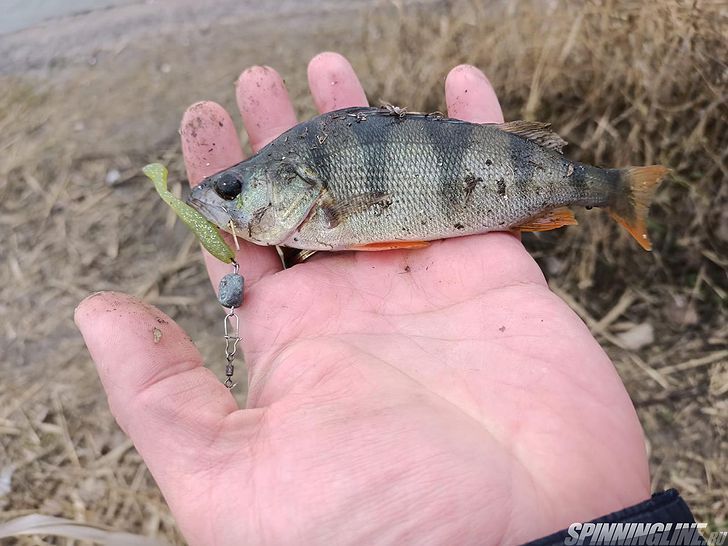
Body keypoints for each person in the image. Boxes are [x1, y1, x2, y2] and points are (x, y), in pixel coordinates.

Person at [75, 52, 697, 545]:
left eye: (235, 190)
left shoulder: (319, 194)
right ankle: (613, 189)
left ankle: (615, 190)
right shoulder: (303, 183)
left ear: (290, 184)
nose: (220, 201)